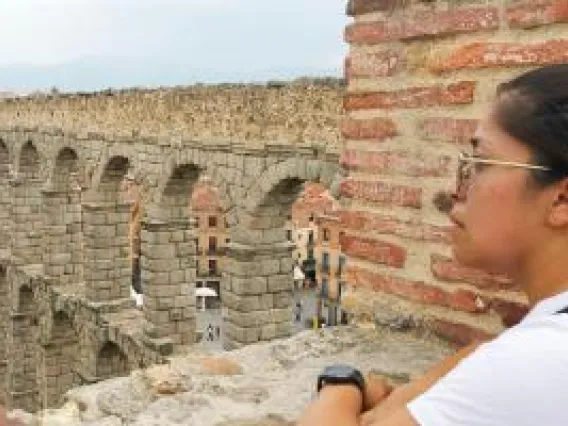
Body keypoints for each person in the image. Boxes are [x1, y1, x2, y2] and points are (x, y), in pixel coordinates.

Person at [298, 64, 568, 426]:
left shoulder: (535, 362)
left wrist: (341, 384)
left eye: (479, 163)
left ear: (561, 199)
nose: (454, 192)